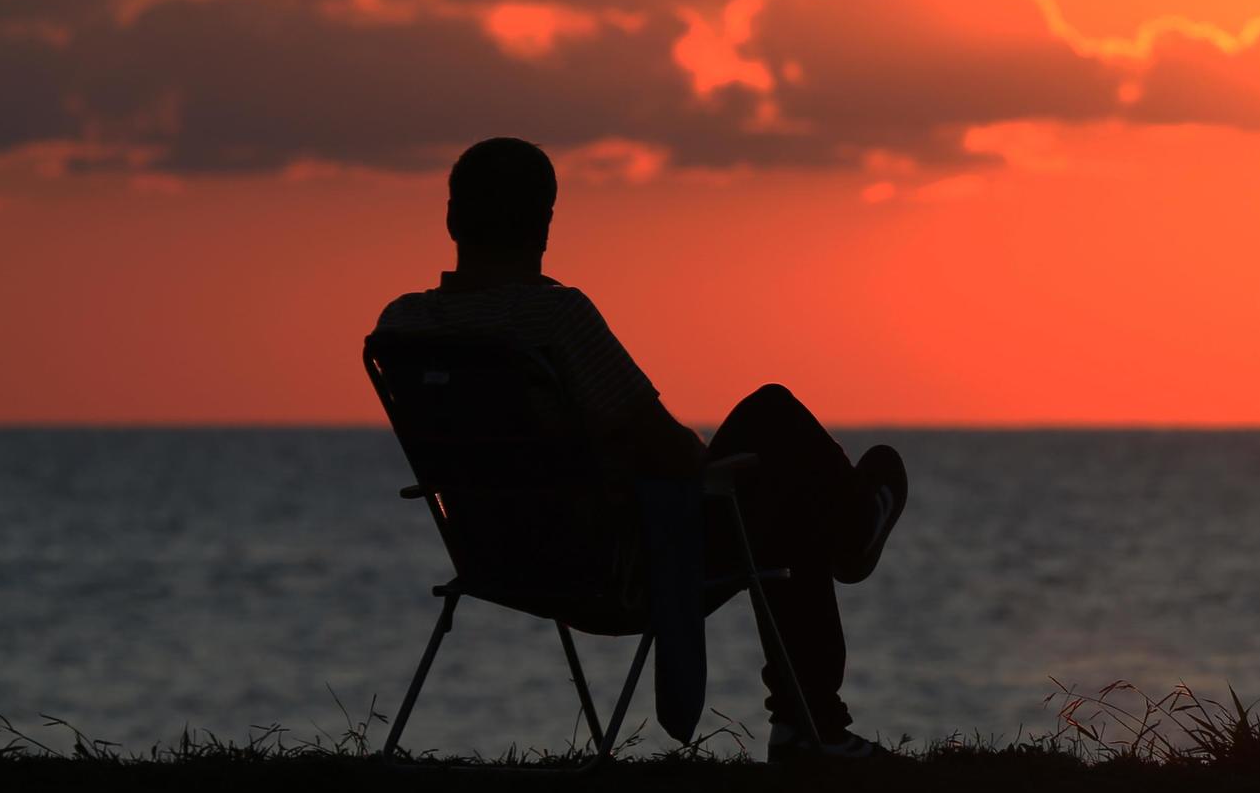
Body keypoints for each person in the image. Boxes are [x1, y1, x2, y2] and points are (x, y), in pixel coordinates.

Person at [378, 137, 905, 760]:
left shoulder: (403, 328)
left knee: (774, 481)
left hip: (501, 562)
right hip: (617, 568)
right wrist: (707, 469)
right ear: (545, 224)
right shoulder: (556, 319)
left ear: (451, 219)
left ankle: (816, 685)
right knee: (774, 422)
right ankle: (846, 557)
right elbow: (667, 449)